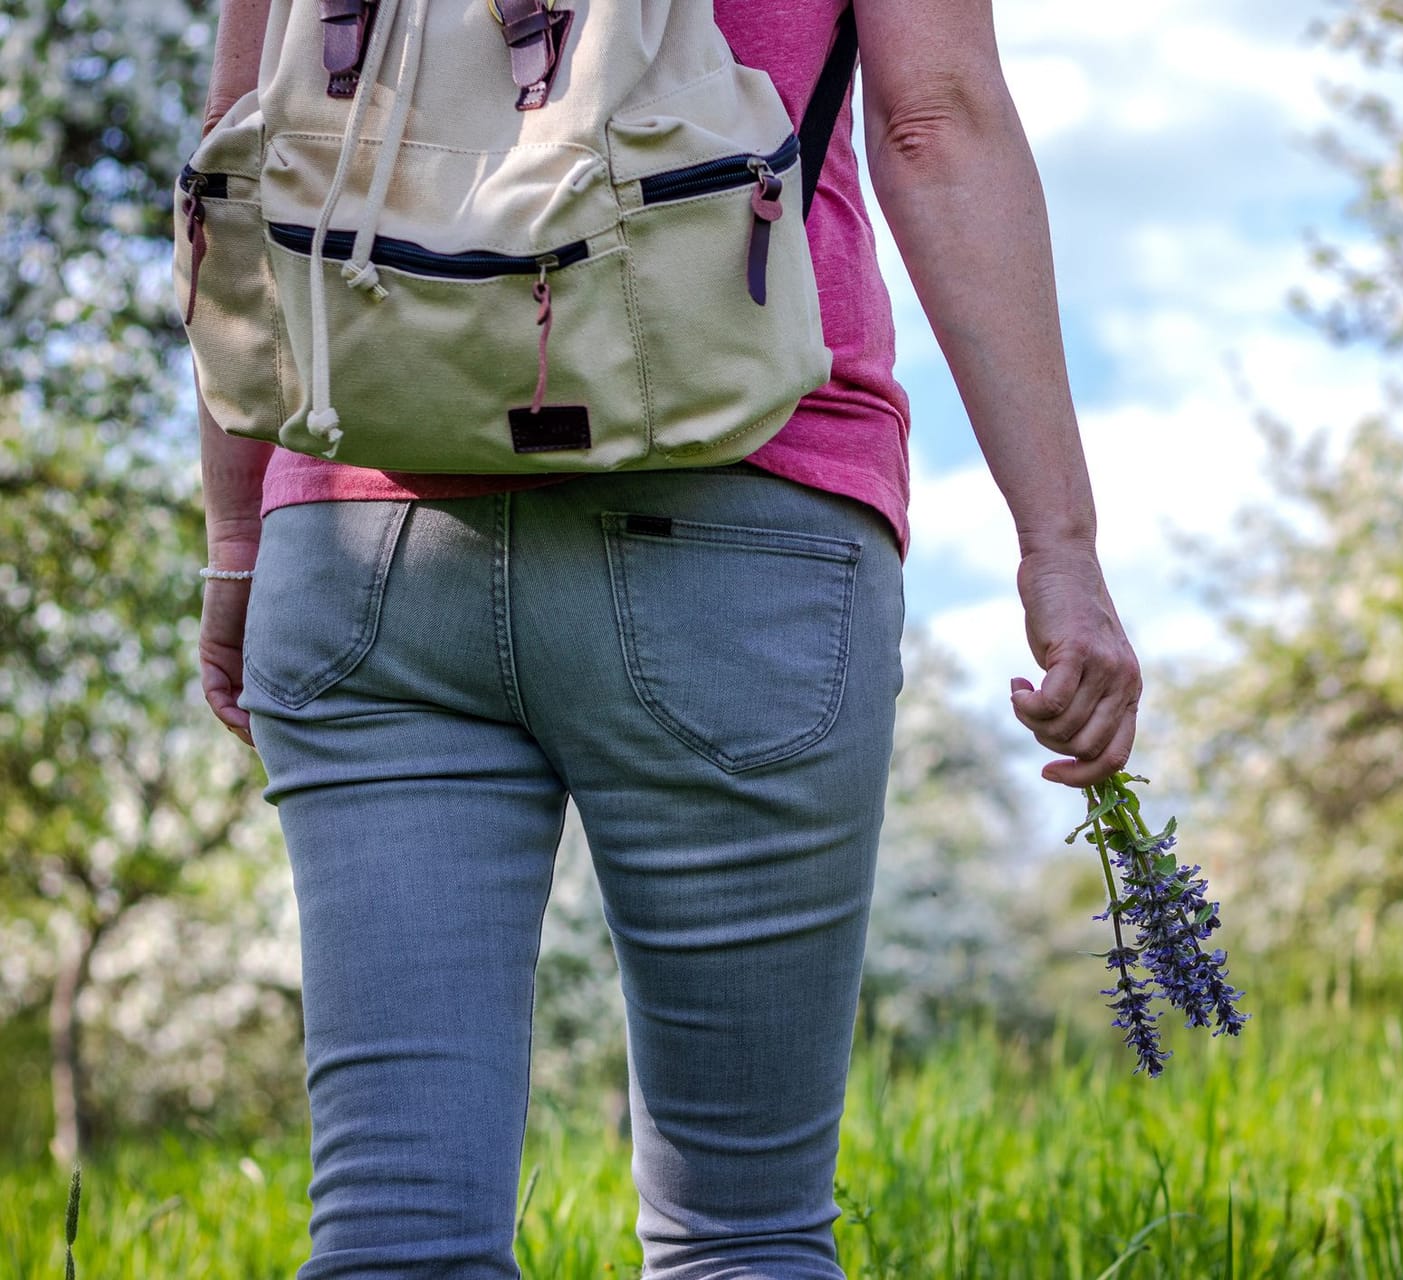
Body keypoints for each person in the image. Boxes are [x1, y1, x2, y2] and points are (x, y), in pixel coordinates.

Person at [194, 0, 1142, 1275]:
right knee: (741, 1238)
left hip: (368, 529)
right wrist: (1061, 552)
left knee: (394, 1235)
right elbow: (935, 121)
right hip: (741, 499)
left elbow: (243, 151)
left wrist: (238, 535)